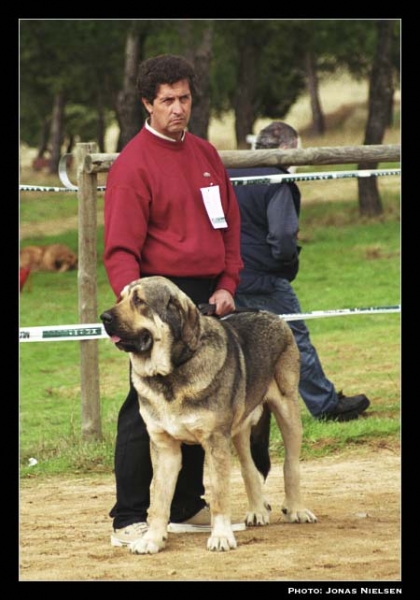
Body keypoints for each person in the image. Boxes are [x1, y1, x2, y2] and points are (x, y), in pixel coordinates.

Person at [103, 54, 244, 547]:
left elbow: (229, 224)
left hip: (206, 300)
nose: (178, 108)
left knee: (204, 401)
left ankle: (186, 505)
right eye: (167, 101)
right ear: (147, 103)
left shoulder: (206, 155)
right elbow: (120, 249)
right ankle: (127, 517)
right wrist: (132, 311)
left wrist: (228, 282)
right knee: (145, 407)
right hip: (156, 305)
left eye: (184, 98)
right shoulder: (132, 164)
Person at [229, 121, 370, 422]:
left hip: (227, 275)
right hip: (264, 277)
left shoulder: (230, 171)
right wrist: (287, 265)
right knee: (293, 340)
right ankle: (326, 405)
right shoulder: (276, 180)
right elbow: (282, 236)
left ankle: (241, 411)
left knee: (238, 343)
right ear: (286, 149)